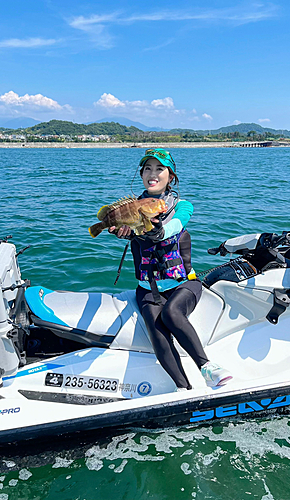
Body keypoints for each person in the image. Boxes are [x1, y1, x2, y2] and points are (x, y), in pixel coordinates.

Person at [110, 148, 231, 391]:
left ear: (170, 176)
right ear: (141, 174)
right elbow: (126, 230)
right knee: (157, 335)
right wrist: (121, 231)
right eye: (147, 169)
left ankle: (207, 368)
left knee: (172, 314)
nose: (152, 174)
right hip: (147, 288)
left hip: (184, 284)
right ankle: (183, 389)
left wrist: (160, 231)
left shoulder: (182, 205)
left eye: (159, 169)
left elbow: (176, 224)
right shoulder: (132, 208)